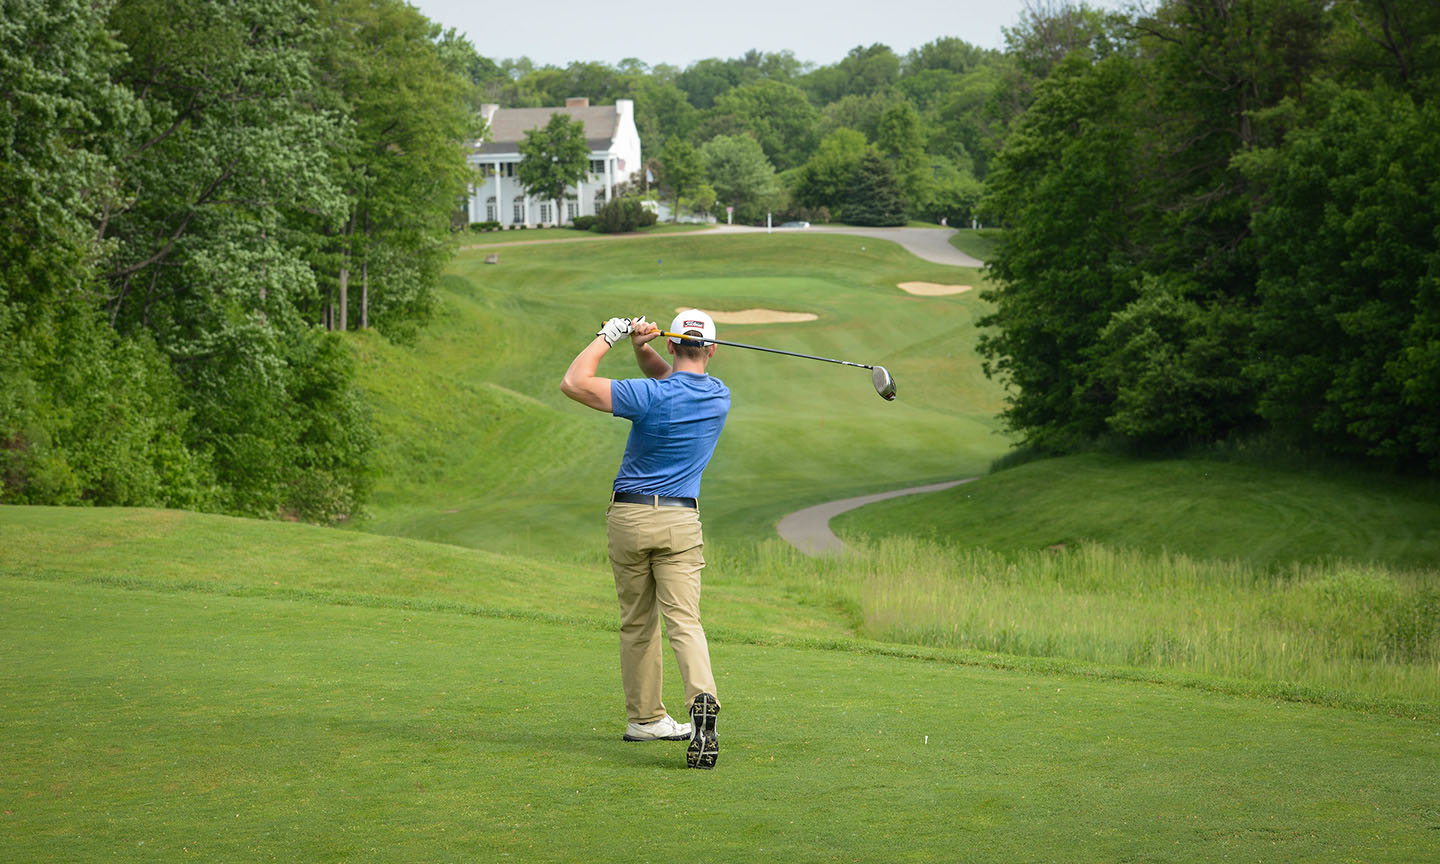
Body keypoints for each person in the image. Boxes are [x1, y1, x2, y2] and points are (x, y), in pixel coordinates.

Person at [559, 309, 728, 769]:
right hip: (680, 523)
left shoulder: (646, 396)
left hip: (630, 518)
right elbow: (676, 381)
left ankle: (647, 719)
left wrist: (609, 336)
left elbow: (574, 382)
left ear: (672, 345)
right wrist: (642, 349)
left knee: (637, 622)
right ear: (711, 349)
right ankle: (701, 704)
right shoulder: (718, 396)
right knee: (685, 623)